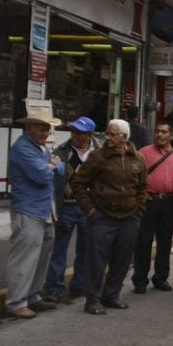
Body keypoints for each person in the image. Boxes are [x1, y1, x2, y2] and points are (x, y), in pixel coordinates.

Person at [70, 119, 147, 315]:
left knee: (122, 259)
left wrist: (139, 209)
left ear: (124, 137)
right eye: (107, 134)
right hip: (102, 216)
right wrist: (89, 208)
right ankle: (92, 299)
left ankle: (111, 295)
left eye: (113, 135)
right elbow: (78, 183)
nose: (108, 138)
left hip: (130, 217)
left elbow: (142, 187)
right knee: (96, 260)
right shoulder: (98, 157)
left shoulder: (137, 158)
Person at [4, 105, 65, 319]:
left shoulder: (40, 148)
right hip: (28, 209)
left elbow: (61, 169)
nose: (45, 132)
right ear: (29, 127)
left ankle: (32, 296)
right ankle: (16, 301)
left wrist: (51, 166)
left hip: (45, 208)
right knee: (25, 257)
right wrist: (50, 166)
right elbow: (41, 175)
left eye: (47, 128)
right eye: (40, 128)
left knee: (42, 255)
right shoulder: (23, 148)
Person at [43, 116, 99, 303]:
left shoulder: (98, 153)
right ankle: (54, 287)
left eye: (80, 132)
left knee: (85, 249)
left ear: (89, 135)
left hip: (89, 208)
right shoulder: (61, 151)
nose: (75, 135)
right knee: (59, 249)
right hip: (66, 206)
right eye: (73, 131)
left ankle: (79, 285)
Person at [132, 122, 173, 294]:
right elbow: (133, 176)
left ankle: (161, 278)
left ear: (171, 135)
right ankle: (140, 280)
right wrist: (141, 194)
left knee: (165, 241)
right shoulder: (143, 153)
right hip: (149, 201)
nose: (159, 135)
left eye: (164, 132)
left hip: (169, 203)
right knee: (143, 242)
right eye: (157, 132)